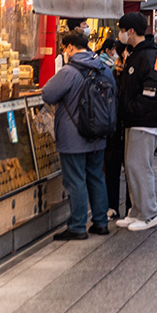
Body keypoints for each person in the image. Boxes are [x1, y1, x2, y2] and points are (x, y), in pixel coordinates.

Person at [41, 30, 112, 240]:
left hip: (73, 136)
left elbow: (47, 94)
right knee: (97, 176)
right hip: (99, 133)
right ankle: (100, 222)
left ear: (70, 47)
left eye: (64, 48)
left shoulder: (69, 71)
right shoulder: (103, 69)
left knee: (76, 180)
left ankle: (78, 226)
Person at [116, 12, 157, 231]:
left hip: (144, 121)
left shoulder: (146, 56)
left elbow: (153, 90)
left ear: (130, 31)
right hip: (136, 120)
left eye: (121, 29)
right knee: (132, 166)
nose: (119, 34)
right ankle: (137, 211)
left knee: (139, 167)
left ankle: (150, 213)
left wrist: (132, 108)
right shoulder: (139, 54)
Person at [105, 41, 130, 220]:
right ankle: (112, 206)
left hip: (129, 126)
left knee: (130, 169)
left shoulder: (134, 73)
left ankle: (130, 207)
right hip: (114, 128)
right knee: (112, 168)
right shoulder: (112, 74)